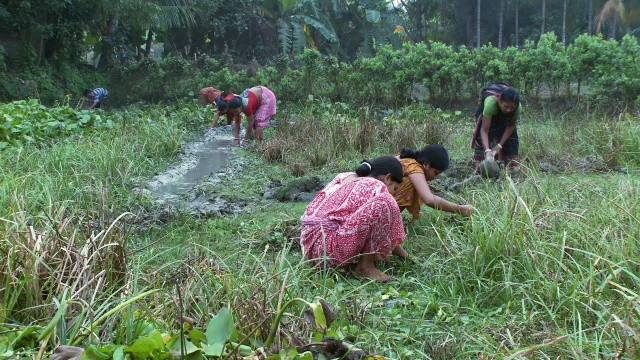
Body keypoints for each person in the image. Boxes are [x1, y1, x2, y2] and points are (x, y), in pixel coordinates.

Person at [300, 156, 408, 282]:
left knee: (382, 204)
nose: (394, 193)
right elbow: (382, 221)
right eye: (395, 188)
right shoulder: (377, 186)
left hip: (309, 248)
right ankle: (365, 268)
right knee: (387, 201)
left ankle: (362, 264)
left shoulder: (345, 176)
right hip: (327, 251)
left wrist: (405, 256)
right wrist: (405, 256)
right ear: (388, 178)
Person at [394, 145, 474, 221]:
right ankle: (389, 220)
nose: (435, 178)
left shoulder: (407, 159)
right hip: (382, 204)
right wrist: (460, 209)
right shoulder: (414, 168)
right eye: (436, 173)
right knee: (410, 184)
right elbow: (429, 200)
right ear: (426, 164)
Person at [471, 82, 522, 172]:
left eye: (512, 108)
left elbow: (511, 126)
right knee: (482, 136)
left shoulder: (517, 108)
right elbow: (484, 130)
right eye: (506, 106)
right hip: (487, 112)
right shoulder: (490, 104)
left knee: (511, 138)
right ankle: (479, 169)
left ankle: (511, 169)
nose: (509, 110)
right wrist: (487, 150)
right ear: (499, 101)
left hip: (504, 118)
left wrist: (499, 145)